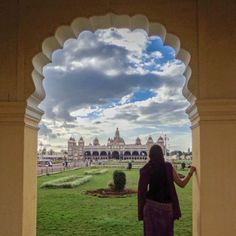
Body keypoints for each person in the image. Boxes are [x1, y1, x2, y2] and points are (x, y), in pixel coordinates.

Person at [138, 144, 196, 236]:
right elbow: (182, 184)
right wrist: (190, 172)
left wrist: (141, 212)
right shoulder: (168, 167)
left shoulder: (146, 169)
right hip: (166, 208)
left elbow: (141, 193)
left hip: (150, 208)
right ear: (161, 154)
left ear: (150, 155)